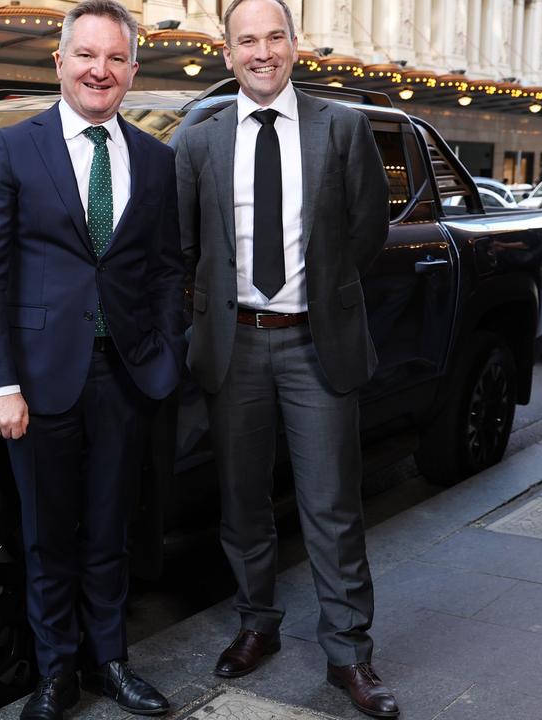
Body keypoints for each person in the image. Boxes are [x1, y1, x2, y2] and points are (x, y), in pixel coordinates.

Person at [0, 1, 184, 718]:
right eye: (86, 55)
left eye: (115, 58)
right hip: (36, 381)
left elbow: (166, 268)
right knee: (46, 534)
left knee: (111, 527)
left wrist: (166, 351)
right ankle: (55, 672)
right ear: (59, 62)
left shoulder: (156, 160)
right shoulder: (10, 150)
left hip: (125, 374)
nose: (100, 69)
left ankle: (110, 660)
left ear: (132, 71)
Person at [175, 0, 397, 717]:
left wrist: (321, 297)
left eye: (275, 37)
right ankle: (255, 625)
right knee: (241, 503)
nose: (261, 51)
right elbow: (185, 247)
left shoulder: (342, 128)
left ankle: (349, 658)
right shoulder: (199, 141)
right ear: (227, 51)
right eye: (248, 40)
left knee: (332, 506)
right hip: (232, 344)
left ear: (296, 46)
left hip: (315, 342)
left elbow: (367, 231)